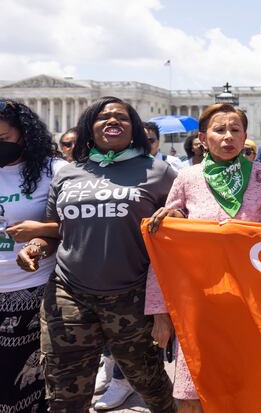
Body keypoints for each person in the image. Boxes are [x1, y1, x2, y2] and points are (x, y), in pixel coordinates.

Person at [17, 97, 177, 413]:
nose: (112, 121)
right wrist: (35, 247)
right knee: (64, 396)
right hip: (69, 294)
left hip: (132, 298)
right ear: (90, 126)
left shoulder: (158, 172)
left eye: (122, 117)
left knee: (151, 385)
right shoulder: (68, 174)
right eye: (103, 117)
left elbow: (179, 232)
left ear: (134, 129)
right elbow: (56, 230)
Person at [147, 103, 261, 412]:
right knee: (191, 393)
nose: (228, 137)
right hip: (199, 306)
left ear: (245, 135)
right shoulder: (187, 178)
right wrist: (159, 312)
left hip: (251, 305)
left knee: (248, 390)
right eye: (219, 130)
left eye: (235, 130)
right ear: (202, 138)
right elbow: (164, 245)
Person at [0, 100, 66, 413]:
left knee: (21, 381)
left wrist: (38, 233)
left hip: (29, 290)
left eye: (3, 140)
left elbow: (81, 225)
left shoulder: (53, 171)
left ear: (24, 135)